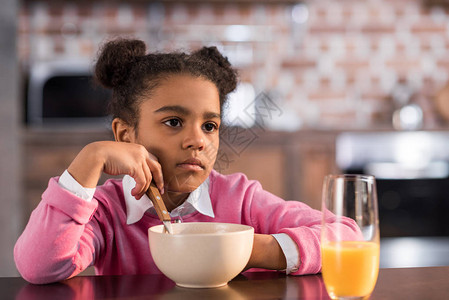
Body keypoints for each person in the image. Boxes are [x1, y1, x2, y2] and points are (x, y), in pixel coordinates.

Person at [14, 38, 360, 284]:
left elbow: (348, 237)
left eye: (209, 126)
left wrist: (247, 250)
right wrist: (90, 158)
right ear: (125, 136)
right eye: (174, 122)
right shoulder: (106, 212)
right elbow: (38, 266)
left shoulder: (241, 199)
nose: (197, 140)